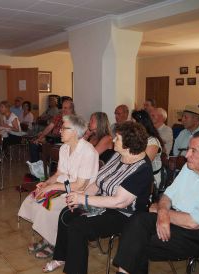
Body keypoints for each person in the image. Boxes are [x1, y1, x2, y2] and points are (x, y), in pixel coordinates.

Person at [113, 131, 199, 274]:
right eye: (188, 149)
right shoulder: (190, 167)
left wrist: (162, 212)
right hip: (174, 218)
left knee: (136, 241)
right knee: (137, 222)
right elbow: (167, 195)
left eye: (193, 150)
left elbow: (194, 222)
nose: (187, 155)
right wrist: (163, 212)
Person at [43, 121, 153, 273]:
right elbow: (99, 182)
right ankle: (62, 256)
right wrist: (80, 197)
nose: (113, 140)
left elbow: (119, 202)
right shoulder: (118, 155)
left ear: (129, 144)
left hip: (126, 215)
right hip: (105, 203)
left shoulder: (142, 168)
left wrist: (83, 200)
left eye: (118, 139)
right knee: (67, 214)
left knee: (78, 227)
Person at [18, 115, 98, 259]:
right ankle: (48, 238)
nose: (59, 130)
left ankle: (55, 244)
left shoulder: (88, 152)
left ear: (74, 131)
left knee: (47, 206)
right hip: (63, 187)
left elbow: (80, 184)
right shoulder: (64, 148)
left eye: (63, 128)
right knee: (35, 197)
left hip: (79, 193)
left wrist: (53, 186)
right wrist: (47, 183)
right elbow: (59, 173)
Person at [132, 110, 164, 188]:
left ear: (140, 125)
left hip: (151, 179)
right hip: (136, 174)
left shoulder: (152, 142)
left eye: (133, 123)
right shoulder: (136, 138)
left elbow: (143, 164)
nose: (130, 126)